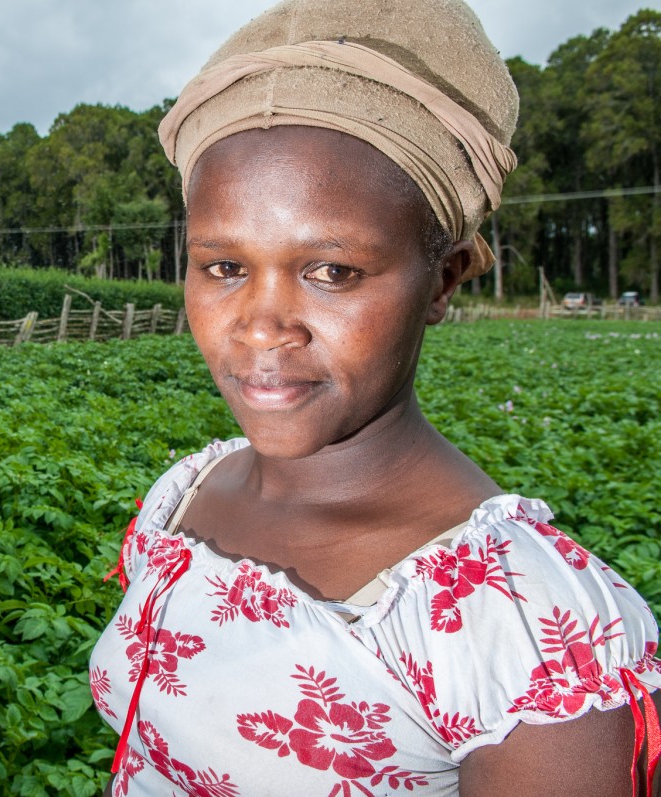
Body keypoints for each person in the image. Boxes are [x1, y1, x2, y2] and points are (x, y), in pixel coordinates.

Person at [88, 0, 661, 794]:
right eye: (224, 267)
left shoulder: (525, 629)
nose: (261, 328)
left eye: (332, 272)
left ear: (445, 278)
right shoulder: (185, 495)